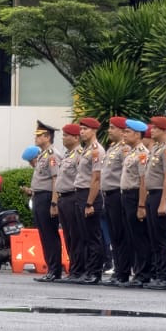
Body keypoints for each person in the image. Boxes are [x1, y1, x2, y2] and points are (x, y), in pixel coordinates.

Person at [142, 115, 166, 288]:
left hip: (161, 195)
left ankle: (165, 275)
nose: (152, 131)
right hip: (152, 194)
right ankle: (158, 272)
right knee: (153, 236)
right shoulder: (157, 148)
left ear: (164, 130)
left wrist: (163, 202)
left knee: (162, 236)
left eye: (155, 128)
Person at [116, 119, 151, 287]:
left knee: (139, 237)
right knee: (130, 236)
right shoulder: (131, 152)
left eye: (127, 132)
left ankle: (142, 273)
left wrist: (141, 205)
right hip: (125, 195)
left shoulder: (142, 153)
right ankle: (135, 271)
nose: (124, 134)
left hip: (135, 196)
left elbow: (144, 181)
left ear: (137, 135)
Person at [27, 121, 62, 282]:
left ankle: (55, 270)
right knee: (44, 234)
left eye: (39, 135)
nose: (36, 137)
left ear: (47, 137)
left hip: (47, 197)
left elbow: (56, 179)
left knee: (50, 234)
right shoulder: (43, 155)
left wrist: (54, 203)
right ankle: (50, 268)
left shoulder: (53, 155)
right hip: (39, 196)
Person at [100, 117, 131, 284]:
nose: (109, 130)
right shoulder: (112, 148)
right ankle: (118, 270)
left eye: (113, 128)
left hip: (118, 195)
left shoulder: (124, 149)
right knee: (113, 235)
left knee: (120, 235)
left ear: (121, 131)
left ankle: (122, 271)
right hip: (108, 195)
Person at [54, 123, 87, 281]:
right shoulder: (67, 155)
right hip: (63, 198)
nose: (63, 138)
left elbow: (82, 177)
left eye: (67, 135)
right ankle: (74, 267)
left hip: (73, 196)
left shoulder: (80, 154)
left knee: (76, 236)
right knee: (68, 236)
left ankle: (79, 269)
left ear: (76, 137)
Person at [76, 117, 105, 283]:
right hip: (81, 193)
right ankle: (88, 270)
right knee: (85, 236)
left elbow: (96, 178)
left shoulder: (96, 150)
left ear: (94, 131)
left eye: (85, 129)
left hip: (90, 194)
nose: (82, 132)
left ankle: (95, 272)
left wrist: (90, 202)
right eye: (80, 129)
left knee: (93, 236)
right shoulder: (86, 150)